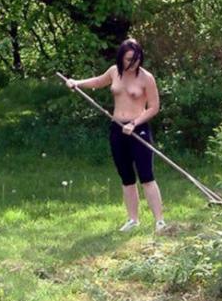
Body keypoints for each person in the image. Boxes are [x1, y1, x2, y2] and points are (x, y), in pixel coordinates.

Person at [65, 38, 166, 232]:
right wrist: (76, 83)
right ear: (121, 58)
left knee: (146, 176)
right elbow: (98, 82)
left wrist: (134, 123)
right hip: (117, 129)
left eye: (137, 59)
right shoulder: (114, 72)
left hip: (138, 129)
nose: (133, 63)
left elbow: (154, 107)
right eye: (129, 59)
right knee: (126, 177)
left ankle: (159, 221)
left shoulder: (146, 78)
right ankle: (133, 220)